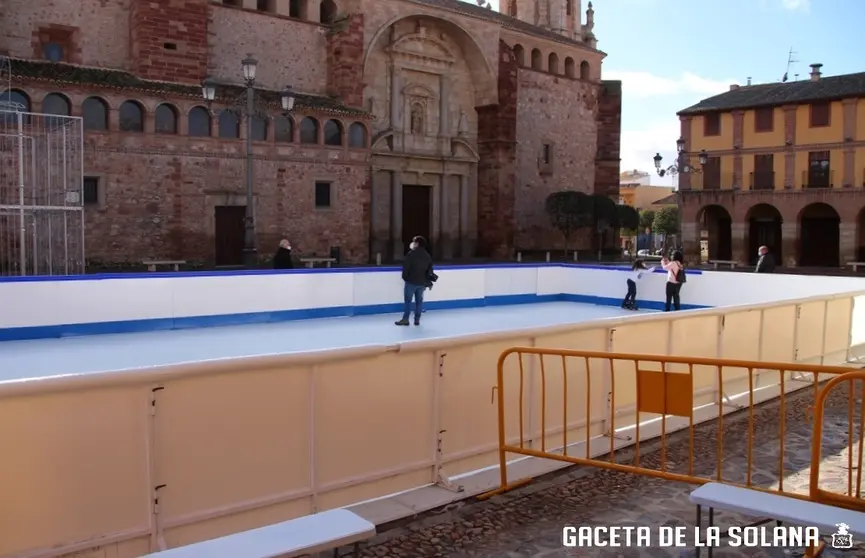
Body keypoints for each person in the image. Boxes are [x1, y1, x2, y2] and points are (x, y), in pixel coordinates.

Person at [396, 236, 434, 326]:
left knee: (408, 301)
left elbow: (406, 268)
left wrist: (405, 278)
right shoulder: (427, 256)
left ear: (417, 244)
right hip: (421, 283)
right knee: (419, 302)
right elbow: (430, 270)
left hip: (411, 282)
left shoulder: (411, 254)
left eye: (414, 242)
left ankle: (405, 319)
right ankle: (417, 320)